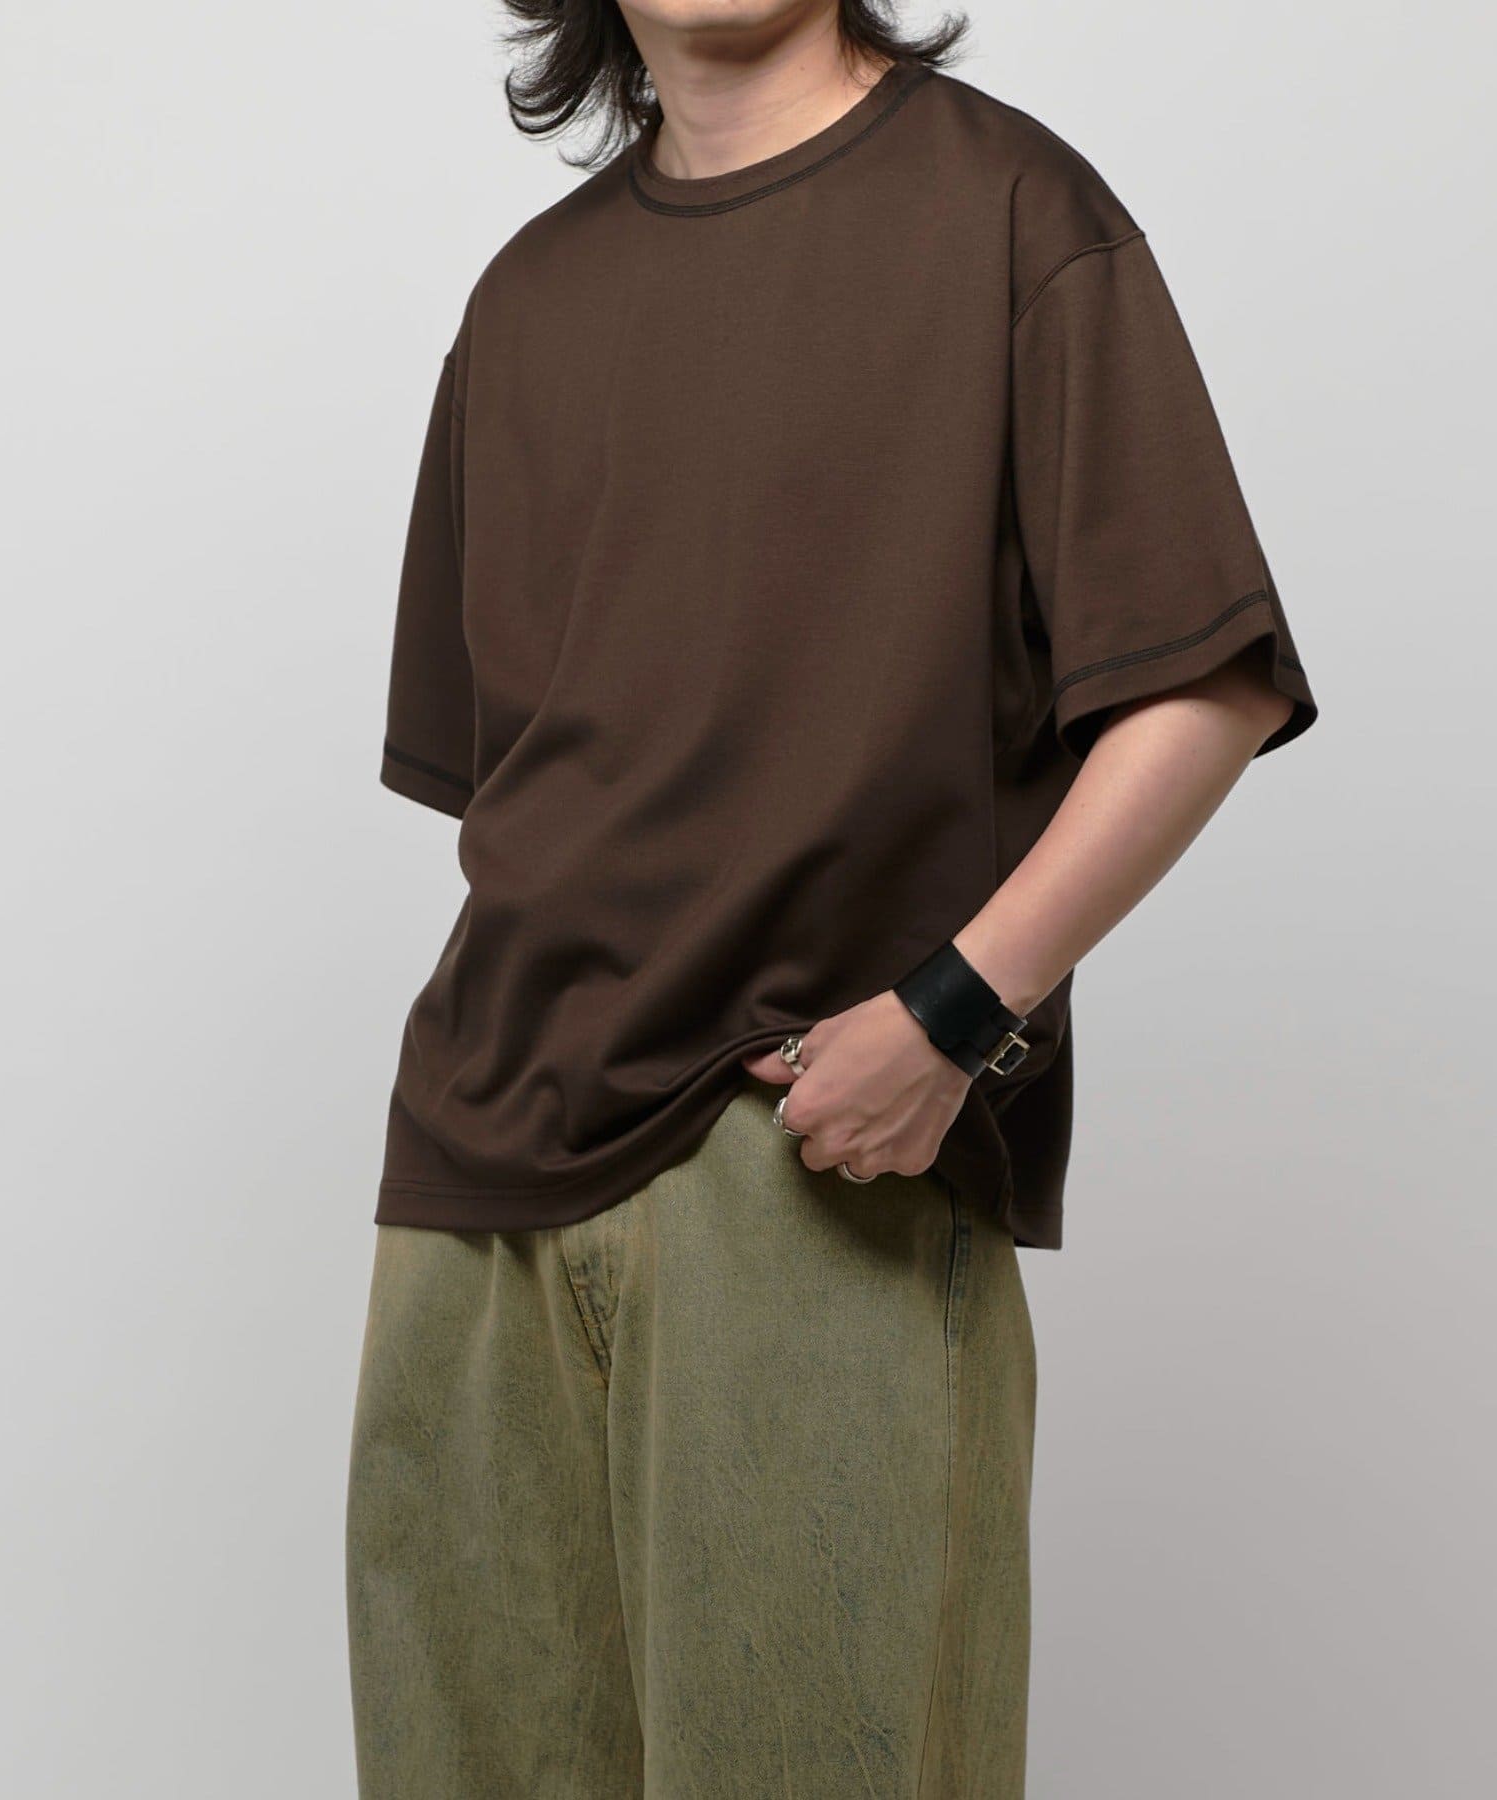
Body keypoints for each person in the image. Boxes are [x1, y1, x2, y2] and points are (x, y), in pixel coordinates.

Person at [345, 1, 1317, 1793]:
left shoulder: (1013, 212)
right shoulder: (524, 302)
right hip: (471, 1198)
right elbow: (529, 792)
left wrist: (954, 1016)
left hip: (805, 1171)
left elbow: (1204, 685)